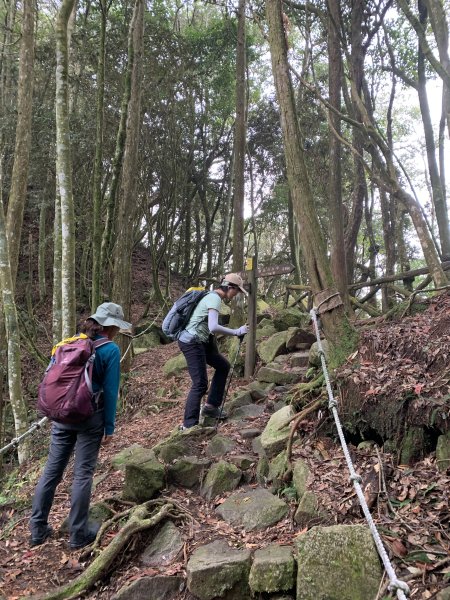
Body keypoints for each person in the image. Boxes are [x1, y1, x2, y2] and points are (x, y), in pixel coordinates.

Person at [29, 302, 132, 549]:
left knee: (51, 472)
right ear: (112, 327)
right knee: (82, 474)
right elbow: (110, 391)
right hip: (90, 418)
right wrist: (110, 427)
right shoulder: (110, 350)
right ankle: (78, 534)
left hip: (61, 416)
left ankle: (37, 530)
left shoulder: (68, 343)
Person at [178, 273, 249, 430]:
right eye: (236, 291)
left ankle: (211, 407)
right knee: (200, 383)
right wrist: (237, 331)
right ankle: (188, 425)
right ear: (230, 287)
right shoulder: (214, 299)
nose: (236, 294)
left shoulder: (213, 297)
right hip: (192, 342)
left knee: (223, 366)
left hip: (203, 340)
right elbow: (213, 327)